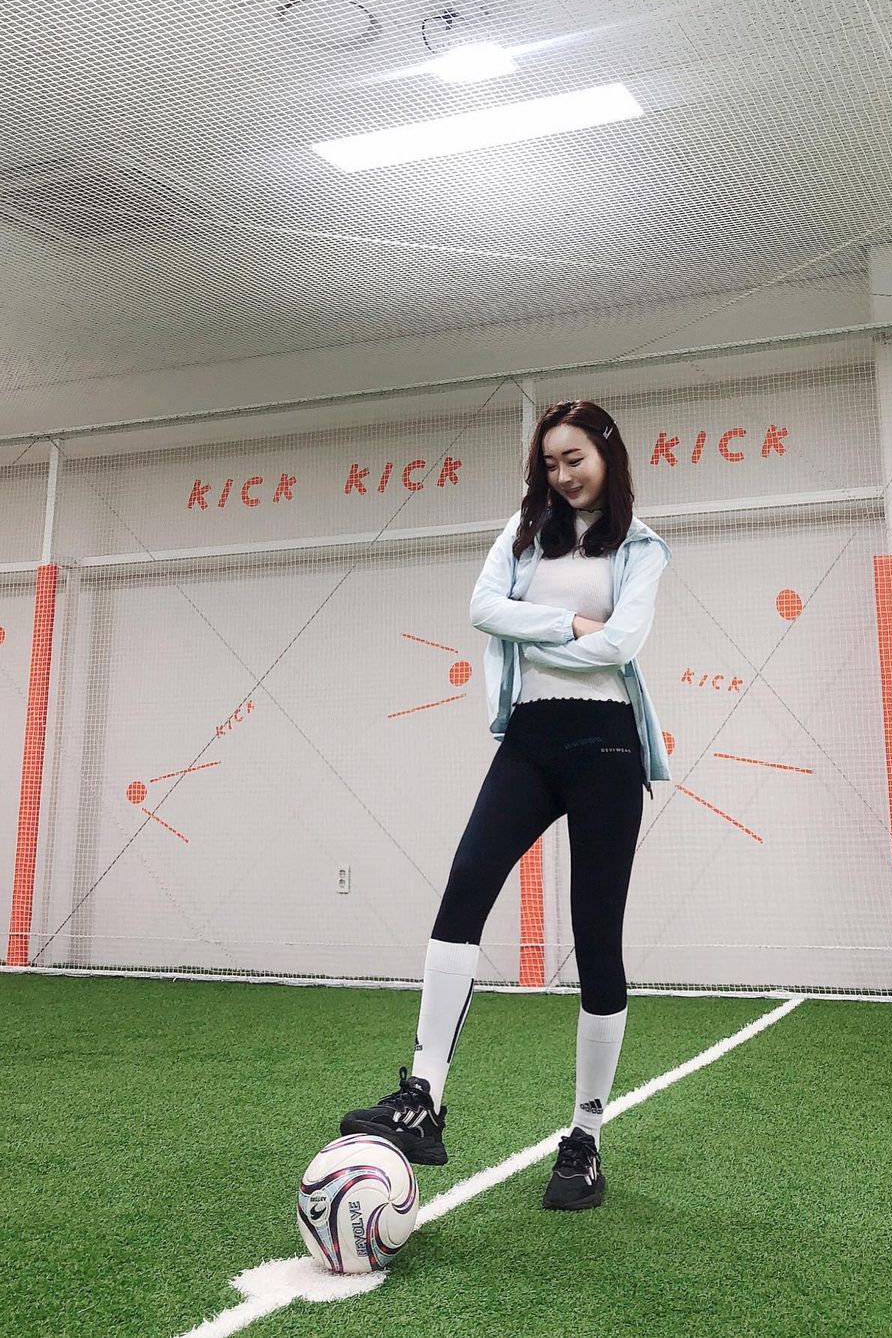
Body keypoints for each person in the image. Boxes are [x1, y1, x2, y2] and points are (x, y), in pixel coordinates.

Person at [340, 399, 672, 1210]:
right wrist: (569, 622)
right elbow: (482, 609)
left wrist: (540, 630)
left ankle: (585, 1140)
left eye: (574, 459)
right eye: (550, 463)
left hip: (606, 747)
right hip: (529, 739)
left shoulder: (640, 547)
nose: (562, 475)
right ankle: (423, 1097)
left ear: (607, 454)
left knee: (596, 940)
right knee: (463, 892)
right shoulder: (523, 532)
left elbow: (623, 643)